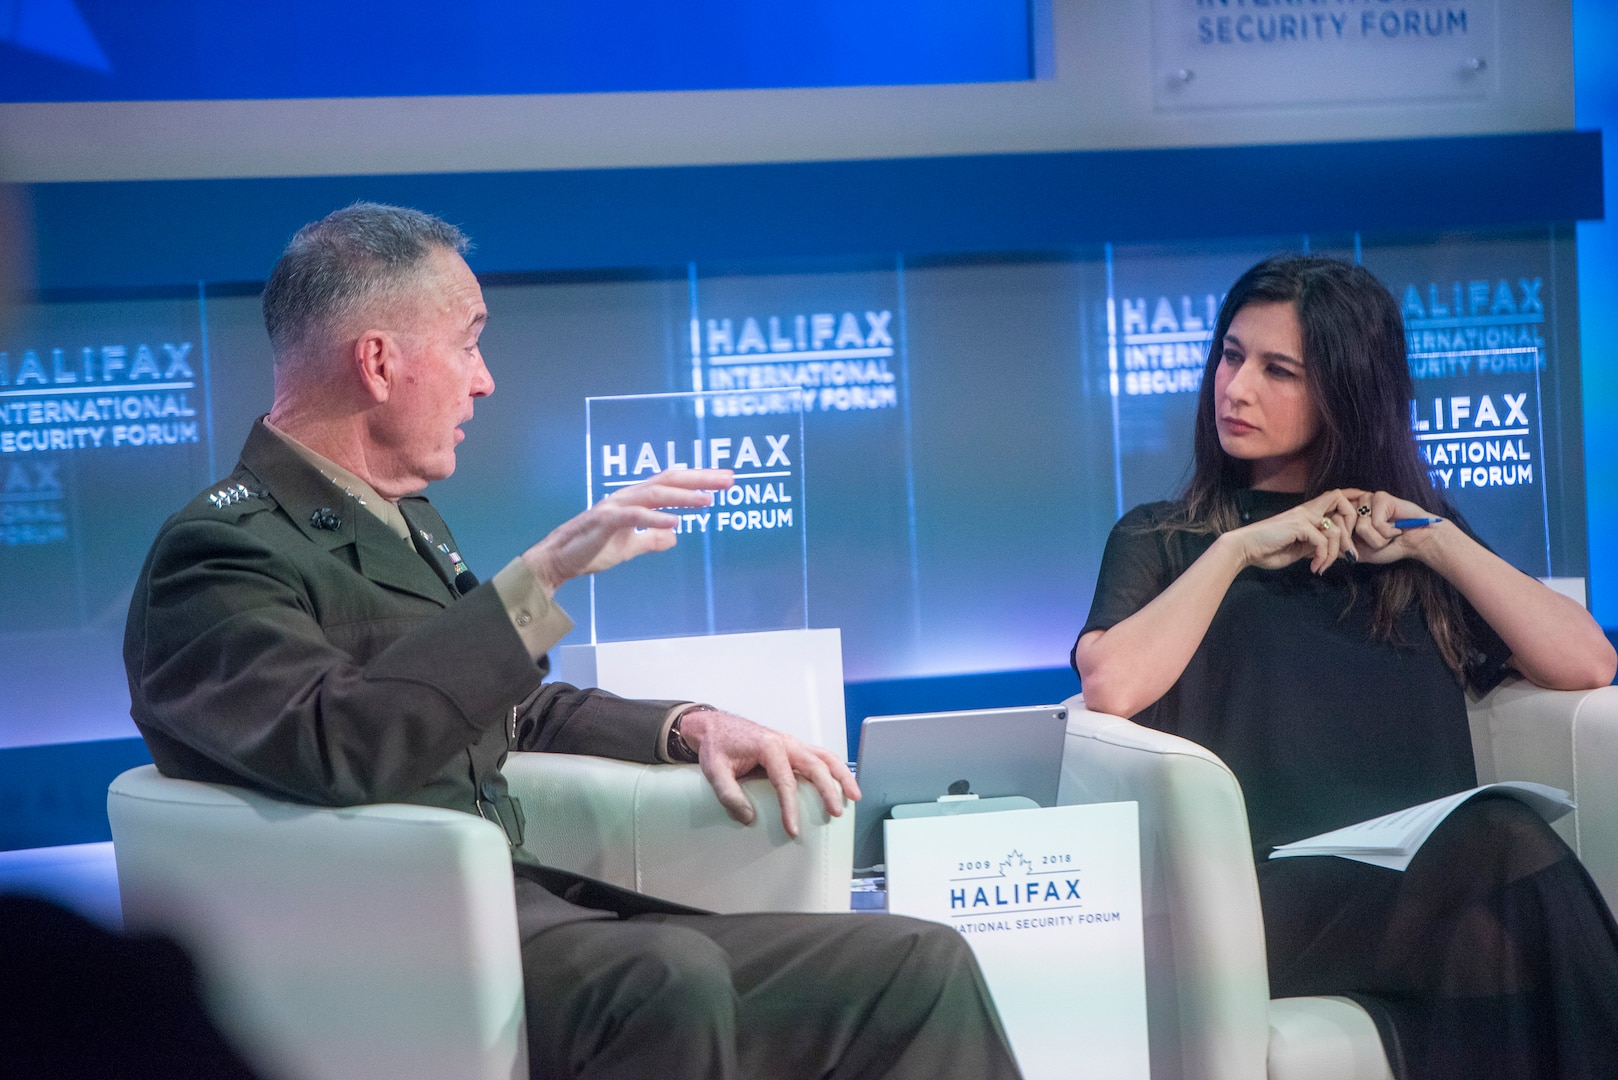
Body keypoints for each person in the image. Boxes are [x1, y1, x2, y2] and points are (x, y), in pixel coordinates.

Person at [124, 202, 1021, 1080]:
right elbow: (335, 744)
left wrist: (686, 727)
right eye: (469, 341)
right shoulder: (216, 555)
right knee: (667, 979)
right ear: (379, 362)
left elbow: (498, 706)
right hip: (387, 947)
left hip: (526, 913)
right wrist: (537, 579)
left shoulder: (408, 523)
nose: (486, 379)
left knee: (914, 966)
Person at [1073, 254, 1618, 1080]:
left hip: (1429, 878)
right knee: (1503, 852)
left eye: (1276, 370)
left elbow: (1588, 663)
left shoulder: (1410, 547)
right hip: (1264, 900)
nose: (1236, 387)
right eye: (1230, 356)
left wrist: (1438, 539)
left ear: (1345, 391)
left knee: (1496, 895)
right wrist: (1236, 551)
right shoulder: (1165, 538)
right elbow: (1112, 684)